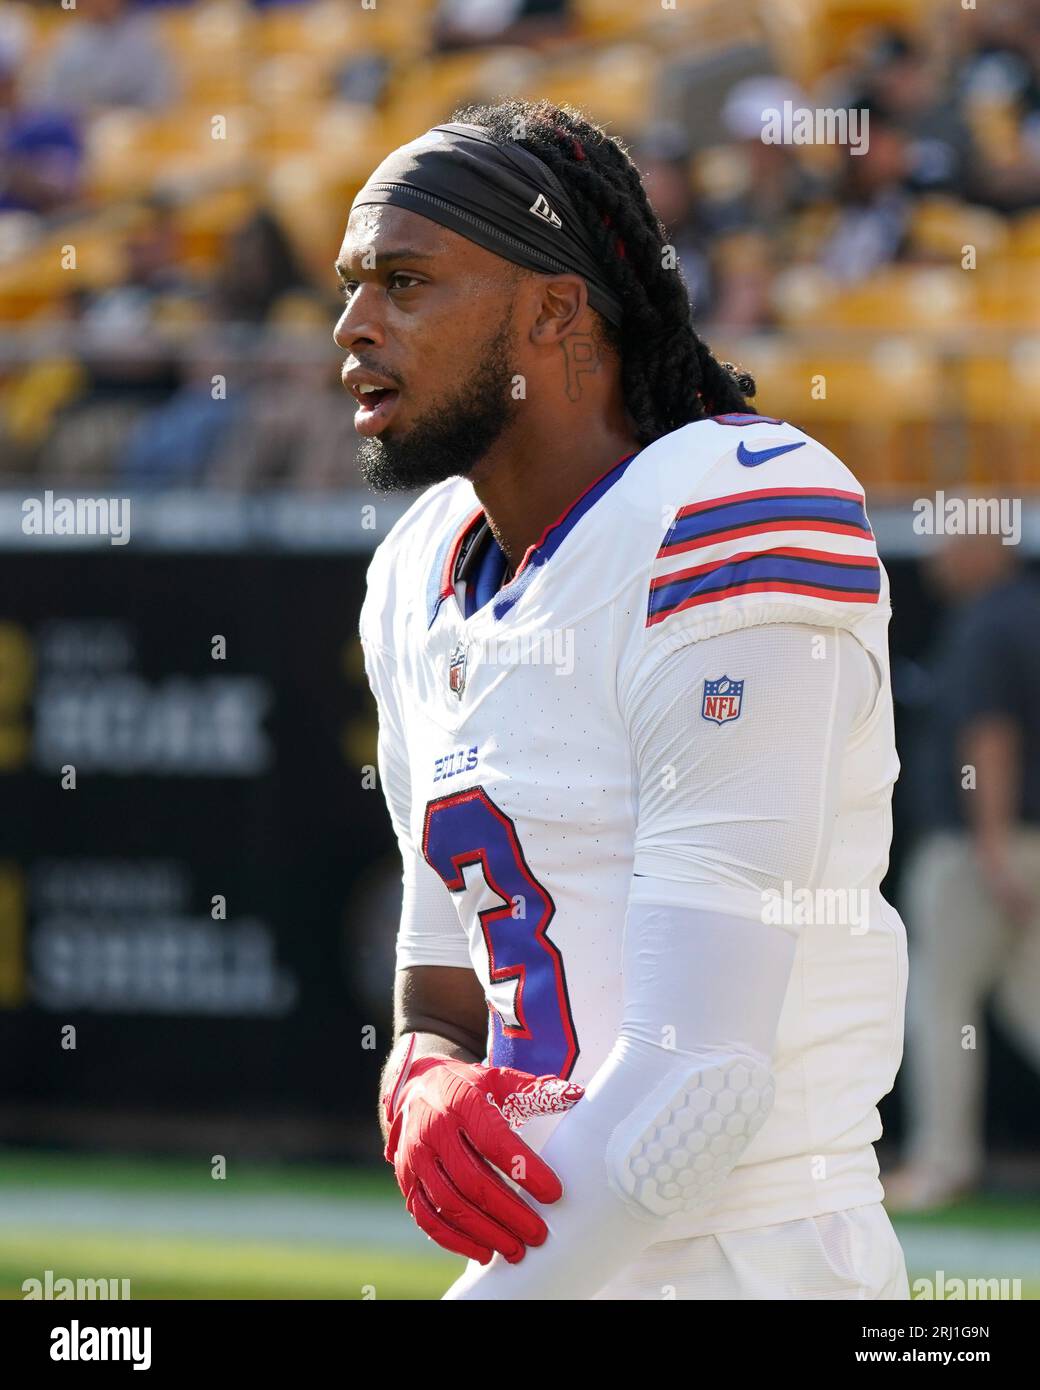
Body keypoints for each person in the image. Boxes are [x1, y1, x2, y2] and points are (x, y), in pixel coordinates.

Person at [336, 99, 909, 1299]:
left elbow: (698, 1079)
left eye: (404, 281)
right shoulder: (414, 570)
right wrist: (423, 1074)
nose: (352, 326)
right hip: (559, 1250)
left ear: (552, 309)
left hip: (748, 1255)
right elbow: (441, 981)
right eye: (352, 283)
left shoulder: (731, 510)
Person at [887, 529, 1040, 1212]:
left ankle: (941, 1164)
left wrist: (991, 843)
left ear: (989, 547)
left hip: (981, 850)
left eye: (952, 541)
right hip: (1019, 844)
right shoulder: (1027, 612)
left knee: (941, 1004)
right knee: (1026, 1000)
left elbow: (991, 734)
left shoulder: (988, 621)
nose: (936, 557)